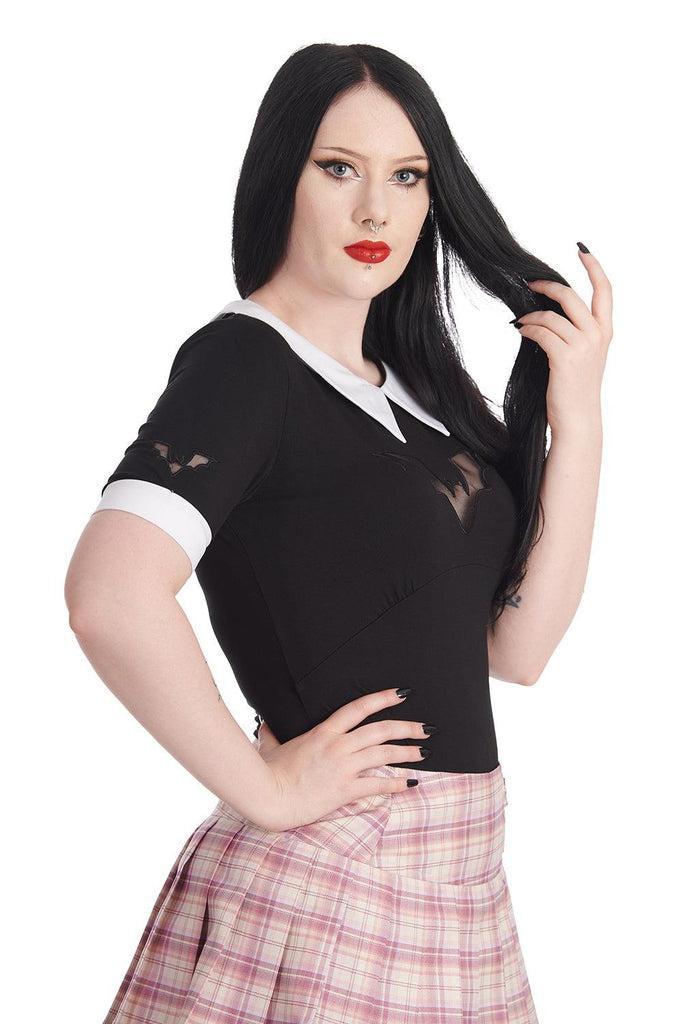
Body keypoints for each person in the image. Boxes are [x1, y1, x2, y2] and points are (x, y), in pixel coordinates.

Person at [64, 41, 613, 1024]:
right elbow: (109, 594)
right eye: (338, 169)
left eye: (406, 177)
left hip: (461, 875)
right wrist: (266, 788)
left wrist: (579, 419)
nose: (374, 211)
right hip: (332, 876)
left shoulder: (416, 394)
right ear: (281, 176)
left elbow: (518, 650)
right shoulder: (244, 363)